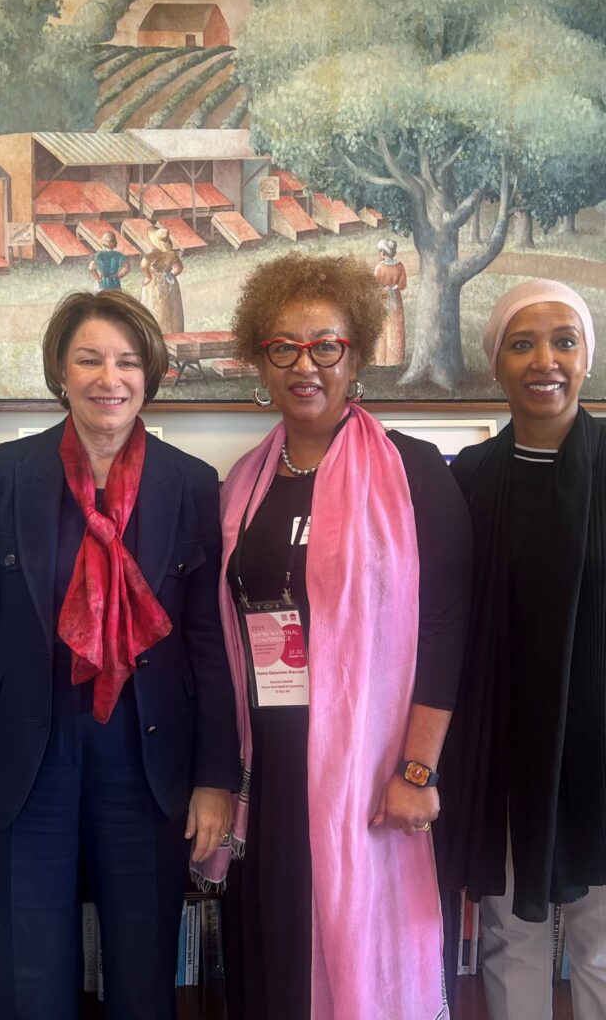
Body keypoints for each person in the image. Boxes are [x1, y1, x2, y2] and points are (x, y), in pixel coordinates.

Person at [0, 288, 240, 1020]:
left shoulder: (192, 484)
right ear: (60, 371)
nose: (111, 378)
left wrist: (215, 778)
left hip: (148, 753)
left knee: (143, 978)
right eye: (90, 359)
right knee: (33, 977)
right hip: (27, 754)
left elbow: (209, 643)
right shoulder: (4, 477)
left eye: (129, 361)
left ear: (151, 373)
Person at [194, 252, 472, 1020]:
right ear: (260, 357)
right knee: (275, 956)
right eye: (283, 346)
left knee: (355, 954)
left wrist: (416, 772)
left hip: (373, 769)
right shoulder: (242, 483)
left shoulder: (413, 475)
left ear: (357, 357)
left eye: (326, 345)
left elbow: (446, 630)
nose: (304, 364)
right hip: (270, 765)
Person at [438, 279, 606, 1020]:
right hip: (507, 747)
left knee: (603, 938)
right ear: (497, 365)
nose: (546, 360)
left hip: (602, 748)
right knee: (513, 931)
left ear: (587, 360)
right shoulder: (467, 480)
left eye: (564, 341)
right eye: (523, 343)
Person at [139, 225, 184, 334]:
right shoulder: (172, 254)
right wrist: (169, 275)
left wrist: (149, 277)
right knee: (171, 307)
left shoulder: (151, 255)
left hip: (154, 282)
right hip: (170, 283)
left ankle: (155, 332)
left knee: (155, 305)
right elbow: (179, 267)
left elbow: (143, 266)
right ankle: (172, 332)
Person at [373, 237, 407, 365]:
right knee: (396, 326)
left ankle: (381, 359)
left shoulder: (379, 267)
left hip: (383, 298)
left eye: (380, 251)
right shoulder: (400, 266)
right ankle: (396, 359)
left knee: (383, 326)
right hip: (396, 298)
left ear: (383, 252)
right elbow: (402, 285)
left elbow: (374, 284)